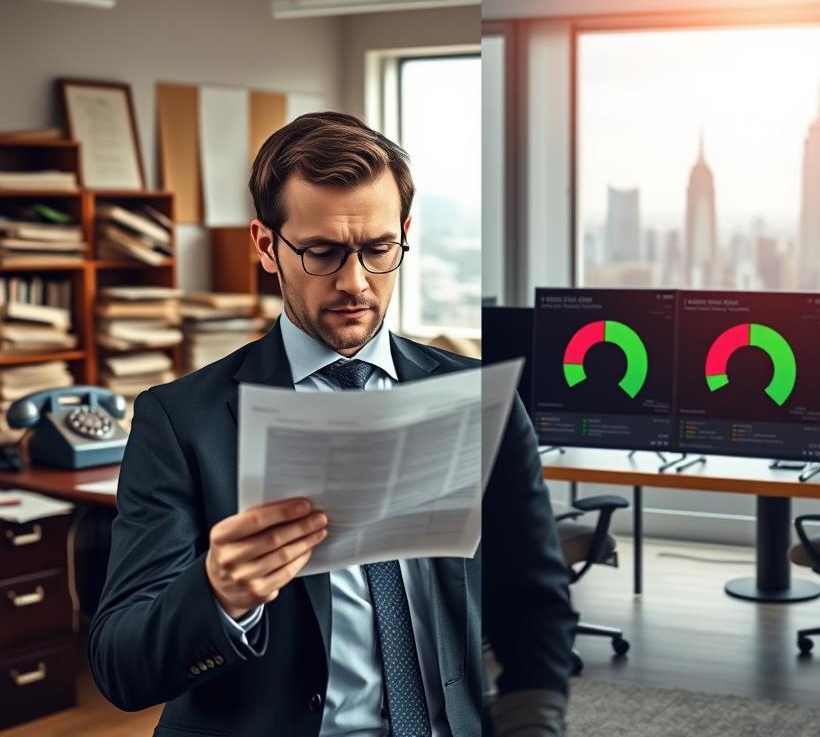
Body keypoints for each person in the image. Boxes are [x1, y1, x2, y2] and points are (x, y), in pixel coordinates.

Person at [89, 112, 577, 736]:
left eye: (378, 250)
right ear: (267, 246)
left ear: (404, 234)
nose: (355, 283)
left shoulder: (480, 401)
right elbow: (119, 665)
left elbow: (535, 603)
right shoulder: (180, 423)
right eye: (322, 252)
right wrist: (219, 596)